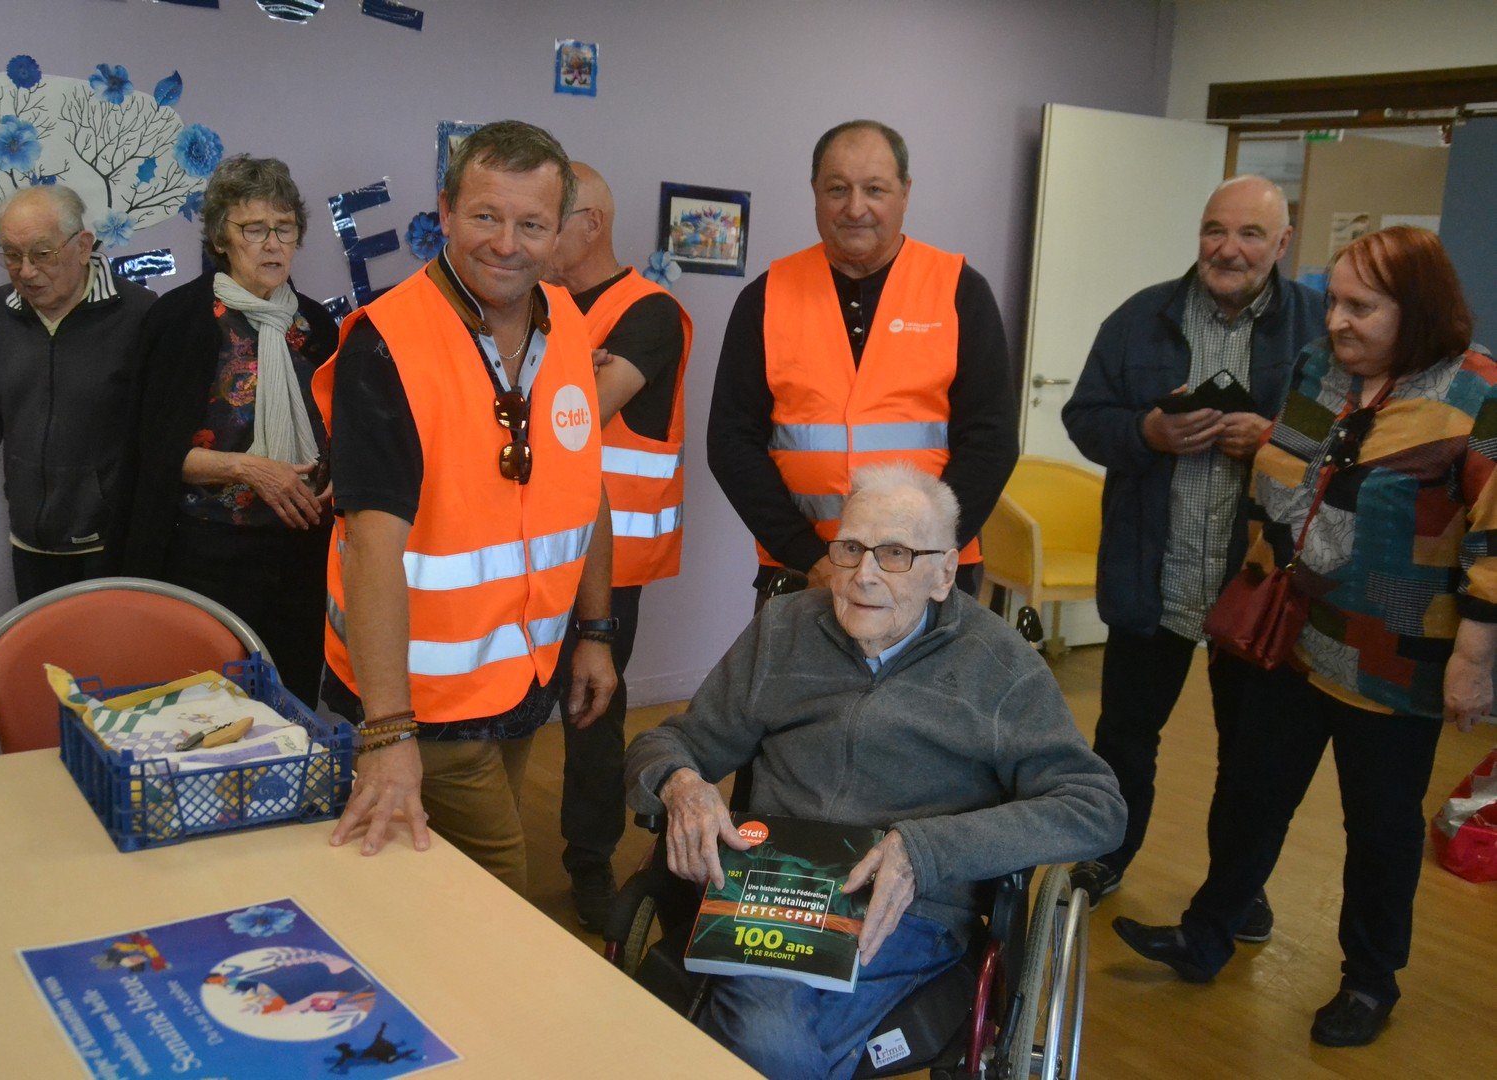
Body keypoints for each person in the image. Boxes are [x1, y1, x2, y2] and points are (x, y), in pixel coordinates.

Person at [1114, 226, 1497, 1049]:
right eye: (1336, 302)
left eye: (1362, 308)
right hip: (1289, 631)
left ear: (1418, 310)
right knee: (1252, 796)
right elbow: (1286, 471)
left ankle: (1368, 981)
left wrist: (1475, 656)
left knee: (1380, 829)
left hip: (1394, 655)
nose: (1337, 321)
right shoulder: (1320, 368)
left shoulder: (1478, 393)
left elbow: (1495, 538)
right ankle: (1207, 935)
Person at [626, 464, 1125, 1080]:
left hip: (906, 907)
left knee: (761, 1036)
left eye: (894, 554)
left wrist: (925, 849)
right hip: (770, 888)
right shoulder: (783, 630)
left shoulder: (999, 667)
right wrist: (681, 784)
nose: (864, 574)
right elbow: (671, 742)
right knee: (743, 1029)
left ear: (945, 574)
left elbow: (1095, 807)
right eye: (850, 549)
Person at [312, 120, 617, 896]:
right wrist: (388, 732)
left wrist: (595, 632)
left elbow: (586, 488)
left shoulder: (567, 322)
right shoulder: (386, 345)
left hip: (521, 682)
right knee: (499, 895)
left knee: (435, 900)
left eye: (532, 225)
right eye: (486, 216)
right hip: (421, 702)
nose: (506, 245)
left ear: (561, 232)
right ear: (445, 211)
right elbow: (370, 546)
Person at [1060, 175, 1326, 922]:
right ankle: (1106, 856)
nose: (1228, 249)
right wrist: (1145, 432)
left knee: (1249, 755)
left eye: (1250, 234)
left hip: (1260, 589)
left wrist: (1274, 441)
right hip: (1153, 576)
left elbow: (1349, 445)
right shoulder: (1139, 318)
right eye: (1215, 230)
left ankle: (1237, 889)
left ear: (1282, 243)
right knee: (1124, 738)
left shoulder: (1319, 329)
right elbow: (1084, 417)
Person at [707, 119, 1016, 600]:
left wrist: (916, 555)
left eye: (874, 189)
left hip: (929, 575)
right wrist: (811, 558)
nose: (855, 208)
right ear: (814, 192)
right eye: (837, 189)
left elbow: (991, 442)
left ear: (905, 193)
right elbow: (731, 443)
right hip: (801, 573)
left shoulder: (960, 291)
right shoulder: (765, 298)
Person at [116, 155, 338, 705]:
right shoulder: (181, 320)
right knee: (208, 710)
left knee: (291, 706)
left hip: (302, 554)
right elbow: (152, 453)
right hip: (209, 554)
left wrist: (342, 471)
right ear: (221, 237)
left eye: (284, 228)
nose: (272, 244)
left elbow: (345, 427)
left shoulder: (315, 325)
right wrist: (248, 468)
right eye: (253, 229)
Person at [546, 160, 693, 930]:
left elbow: (573, 420)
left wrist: (556, 375)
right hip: (521, 548)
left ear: (590, 224)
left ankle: (591, 864)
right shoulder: (533, 305)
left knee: (590, 712)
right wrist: (568, 369)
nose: (528, 237)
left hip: (605, 561)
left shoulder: (649, 313)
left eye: (546, 220)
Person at [0, 185, 155, 603]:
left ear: (82, 246)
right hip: (32, 546)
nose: (26, 272)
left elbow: (165, 434)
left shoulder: (139, 314)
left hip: (118, 546)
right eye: (12, 255)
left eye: (42, 254)